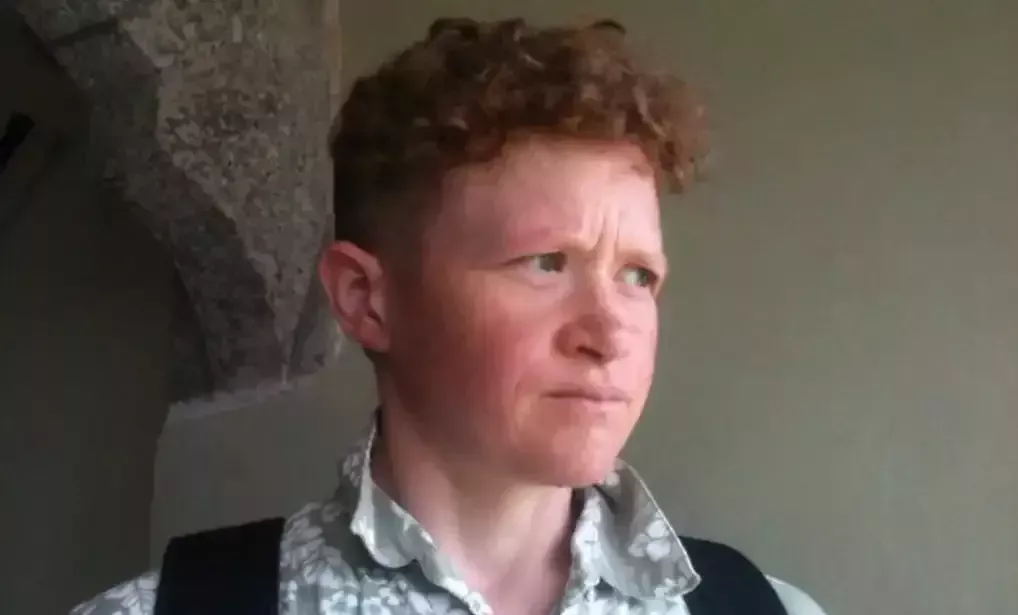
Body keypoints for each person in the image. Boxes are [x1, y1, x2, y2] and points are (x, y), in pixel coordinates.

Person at [73, 17, 827, 615]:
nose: (609, 336)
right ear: (366, 299)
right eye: (546, 262)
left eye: (638, 276)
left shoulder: (770, 609)